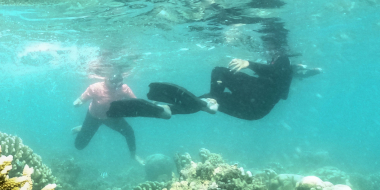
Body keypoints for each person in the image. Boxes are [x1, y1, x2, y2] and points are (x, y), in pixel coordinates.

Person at [108, 53, 321, 121]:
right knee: (202, 101)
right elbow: (283, 79)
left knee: (218, 72)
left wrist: (250, 64)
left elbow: (282, 70)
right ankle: (166, 111)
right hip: (254, 111)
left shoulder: (283, 62)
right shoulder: (283, 76)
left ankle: (212, 101)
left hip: (257, 99)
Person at [73, 73, 169, 164]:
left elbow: (137, 103)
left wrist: (152, 106)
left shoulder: (124, 88)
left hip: (112, 118)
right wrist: (77, 103)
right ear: (105, 79)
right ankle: (84, 128)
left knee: (129, 132)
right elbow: (80, 99)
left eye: (119, 83)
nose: (116, 86)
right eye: (113, 83)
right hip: (94, 117)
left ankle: (133, 155)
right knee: (79, 146)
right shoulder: (95, 88)